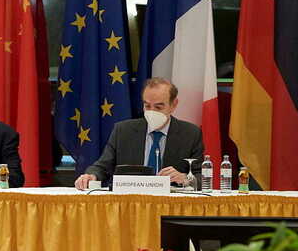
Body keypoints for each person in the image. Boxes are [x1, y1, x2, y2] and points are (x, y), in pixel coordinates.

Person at [75, 78, 203, 189]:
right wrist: (91, 175)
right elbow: (102, 167)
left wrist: (185, 178)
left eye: (158, 107)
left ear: (173, 105)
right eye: (147, 106)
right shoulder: (123, 131)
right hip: (131, 202)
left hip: (170, 205)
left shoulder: (190, 134)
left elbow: (202, 177)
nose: (152, 111)